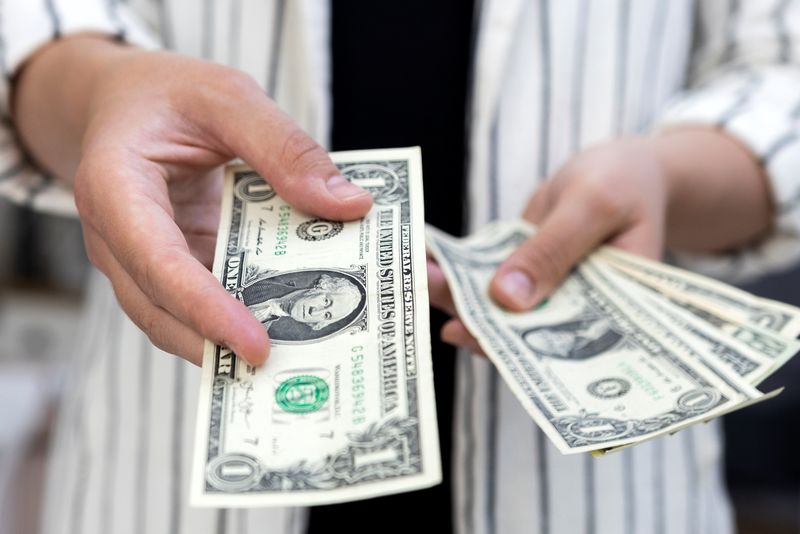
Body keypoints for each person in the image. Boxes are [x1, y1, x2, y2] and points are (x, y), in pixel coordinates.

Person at [3, 1, 800, 533]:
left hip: (592, 496)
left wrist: (670, 177)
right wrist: (101, 93)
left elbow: (779, 75)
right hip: (170, 469)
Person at [244, 270, 365, 341]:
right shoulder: (266, 279)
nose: (314, 312)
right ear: (320, 287)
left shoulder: (273, 336)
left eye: (327, 315)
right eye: (326, 301)